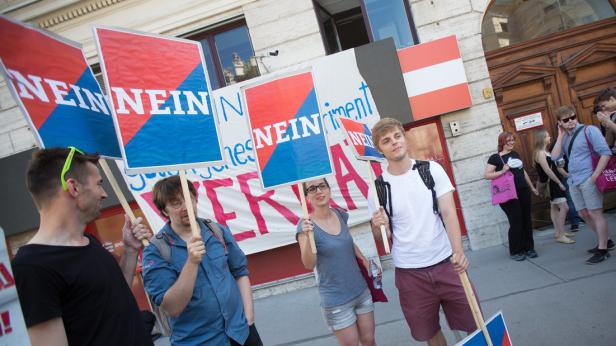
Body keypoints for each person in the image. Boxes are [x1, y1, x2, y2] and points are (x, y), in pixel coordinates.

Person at [11, 148, 154, 346]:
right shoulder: (31, 267)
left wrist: (130, 251)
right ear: (73, 187)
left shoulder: (89, 241)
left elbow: (114, 296)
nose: (104, 194)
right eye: (98, 184)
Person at [369, 118, 477, 346]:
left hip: (447, 263)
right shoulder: (378, 188)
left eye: (397, 136)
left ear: (404, 137)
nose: (394, 142)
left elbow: (449, 213)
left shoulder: (430, 170)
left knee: (473, 322)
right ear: (380, 149)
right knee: (429, 333)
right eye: (386, 140)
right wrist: (377, 225)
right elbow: (382, 236)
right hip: (410, 273)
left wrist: (458, 252)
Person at [141, 175, 262, 346]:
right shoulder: (156, 250)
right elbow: (172, 307)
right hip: (199, 341)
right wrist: (191, 262)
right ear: (164, 211)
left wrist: (249, 318)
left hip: (241, 333)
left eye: (188, 199)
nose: (185, 207)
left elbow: (240, 272)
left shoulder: (215, 230)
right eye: (176, 203)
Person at [297, 178, 377, 346]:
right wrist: (307, 235)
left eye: (322, 186)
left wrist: (364, 259)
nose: (318, 191)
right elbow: (308, 263)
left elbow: (347, 241)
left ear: (328, 189)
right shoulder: (305, 226)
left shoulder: (340, 214)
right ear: (306, 197)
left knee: (369, 341)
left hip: (361, 290)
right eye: (312, 189)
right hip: (336, 300)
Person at [551, 105, 614, 264]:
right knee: (583, 214)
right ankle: (606, 240)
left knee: (595, 213)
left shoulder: (589, 130)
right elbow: (554, 156)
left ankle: (603, 249)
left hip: (588, 178)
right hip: (573, 180)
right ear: (560, 123)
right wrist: (559, 136)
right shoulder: (564, 137)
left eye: (573, 117)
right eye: (566, 120)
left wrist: (594, 176)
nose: (571, 121)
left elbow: (605, 153)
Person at [484, 131, 539, 261]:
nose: (511, 142)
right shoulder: (495, 158)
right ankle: (516, 251)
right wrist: (502, 171)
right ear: (502, 142)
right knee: (516, 221)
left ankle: (529, 248)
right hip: (508, 194)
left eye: (512, 140)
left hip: (523, 190)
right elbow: (487, 175)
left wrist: (531, 187)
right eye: (508, 140)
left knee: (526, 219)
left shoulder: (515, 154)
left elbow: (523, 171)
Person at [532, 129, 574, 244]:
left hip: (554, 181)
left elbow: (555, 168)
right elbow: (548, 171)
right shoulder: (540, 153)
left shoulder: (545, 151)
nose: (550, 137)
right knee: (564, 207)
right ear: (542, 139)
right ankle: (561, 234)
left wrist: (566, 175)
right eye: (547, 136)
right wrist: (559, 183)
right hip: (553, 183)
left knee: (554, 207)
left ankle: (558, 232)